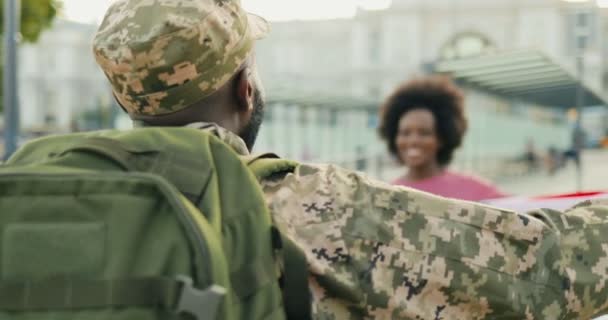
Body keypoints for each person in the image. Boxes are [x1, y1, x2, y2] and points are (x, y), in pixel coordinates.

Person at [93, 1, 608, 318]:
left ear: (124, 100)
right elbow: (552, 271)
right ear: (247, 89)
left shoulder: (41, 202)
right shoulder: (313, 209)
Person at [378, 77, 504, 201]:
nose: (413, 140)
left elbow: (518, 211)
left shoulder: (474, 189)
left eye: (424, 133)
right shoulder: (386, 195)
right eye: (405, 133)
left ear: (441, 139)